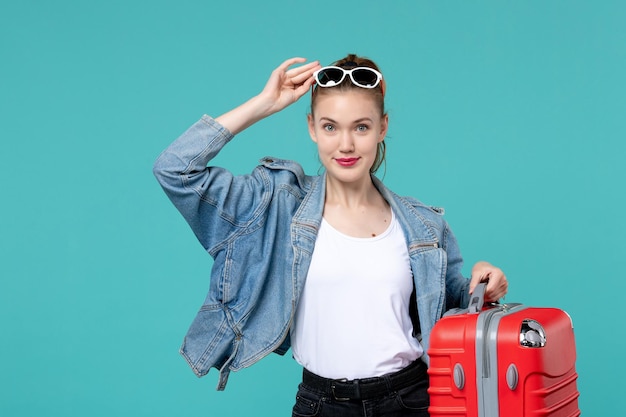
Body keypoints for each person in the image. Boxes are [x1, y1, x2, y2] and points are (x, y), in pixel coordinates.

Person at [153, 54, 508, 417]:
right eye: (330, 127)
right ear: (311, 127)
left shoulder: (422, 224)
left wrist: (481, 284)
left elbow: (451, 303)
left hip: (410, 400)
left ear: (383, 127)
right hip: (322, 405)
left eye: (361, 127)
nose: (346, 145)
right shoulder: (277, 203)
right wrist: (265, 104)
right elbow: (175, 169)